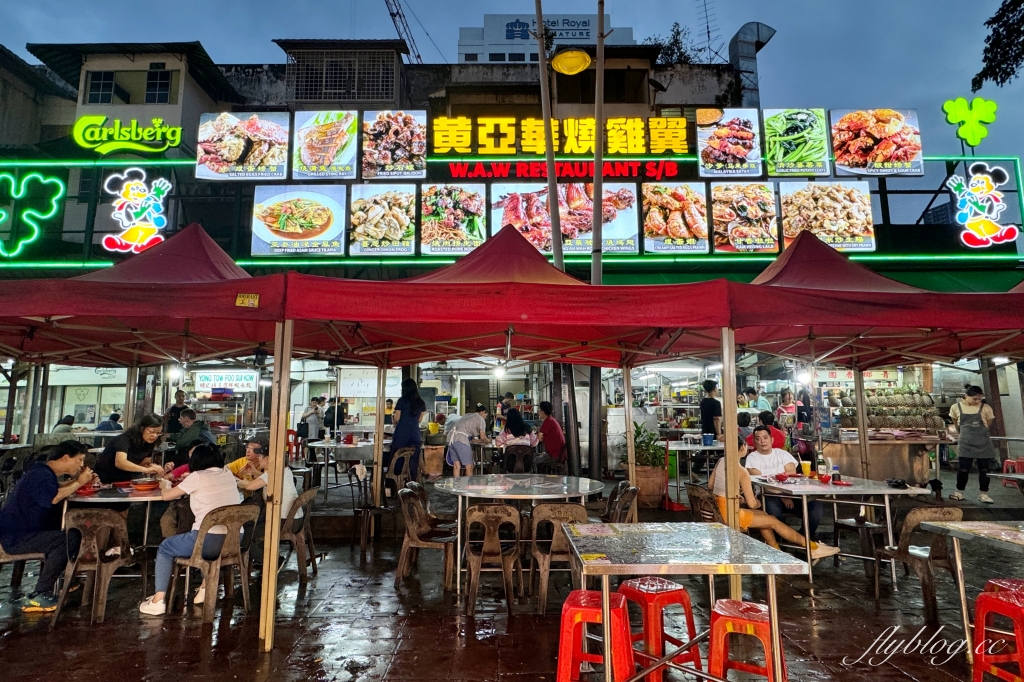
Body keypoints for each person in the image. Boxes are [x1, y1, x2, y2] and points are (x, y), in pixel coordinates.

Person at [138, 444, 243, 615]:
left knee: (165, 547)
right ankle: (204, 585)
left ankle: (158, 600)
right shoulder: (228, 474)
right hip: (234, 540)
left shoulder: (197, 476)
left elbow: (167, 496)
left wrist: (165, 484)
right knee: (200, 539)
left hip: (208, 543)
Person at [708, 437, 839, 560]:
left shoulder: (721, 461)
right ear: (743, 447)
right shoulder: (741, 471)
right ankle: (812, 547)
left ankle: (775, 550)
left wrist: (733, 495)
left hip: (718, 510)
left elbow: (711, 485)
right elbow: (752, 504)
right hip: (730, 514)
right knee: (773, 521)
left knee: (765, 517)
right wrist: (757, 501)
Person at [0, 440, 93, 612]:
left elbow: (56, 488)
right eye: (79, 460)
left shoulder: (43, 473)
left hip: (20, 532)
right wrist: (79, 482)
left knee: (66, 534)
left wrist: (78, 483)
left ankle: (63, 578)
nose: (81, 465)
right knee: (67, 539)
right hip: (14, 537)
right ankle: (40, 594)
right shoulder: (40, 475)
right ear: (66, 458)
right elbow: (53, 497)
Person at [745, 426, 823, 541]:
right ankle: (781, 542)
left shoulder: (782, 454)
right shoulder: (752, 458)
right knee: (773, 512)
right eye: (758, 438)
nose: (762, 441)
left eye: (765, 437)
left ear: (771, 439)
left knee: (816, 508)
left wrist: (784, 494)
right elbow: (760, 480)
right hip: (767, 495)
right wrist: (781, 495)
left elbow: (791, 473)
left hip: (791, 494)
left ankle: (804, 539)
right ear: (754, 441)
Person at [949, 385, 998, 504]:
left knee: (984, 470)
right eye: (974, 399)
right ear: (966, 396)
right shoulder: (956, 407)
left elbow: (988, 424)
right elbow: (956, 423)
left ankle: (984, 493)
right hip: (965, 444)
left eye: (979, 399)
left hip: (983, 443)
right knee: (963, 469)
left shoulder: (986, 408)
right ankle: (959, 492)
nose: (977, 401)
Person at [94, 414, 166, 484]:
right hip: (105, 479)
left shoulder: (150, 442)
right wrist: (145, 469)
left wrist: (153, 467)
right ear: (142, 428)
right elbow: (120, 462)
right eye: (151, 431)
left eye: (158, 433)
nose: (155, 435)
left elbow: (144, 463)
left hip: (126, 480)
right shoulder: (124, 439)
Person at [389, 379, 426, 482]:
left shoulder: (402, 400)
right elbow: (419, 419)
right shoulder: (421, 402)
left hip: (402, 433)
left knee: (398, 457)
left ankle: (396, 482)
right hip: (414, 433)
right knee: (413, 458)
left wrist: (394, 421)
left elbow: (397, 418)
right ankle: (412, 482)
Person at [447, 404, 488, 477]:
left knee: (456, 466)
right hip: (461, 439)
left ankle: (457, 487)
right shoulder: (480, 419)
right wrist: (488, 440)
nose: (485, 417)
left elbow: (466, 432)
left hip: (451, 438)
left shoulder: (467, 415)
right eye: (486, 415)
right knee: (469, 467)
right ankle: (467, 487)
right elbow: (482, 437)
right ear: (483, 412)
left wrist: (476, 440)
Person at [496, 407, 538, 472]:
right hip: (526, 465)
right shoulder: (527, 429)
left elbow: (498, 443)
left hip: (510, 464)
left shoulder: (506, 430)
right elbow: (535, 442)